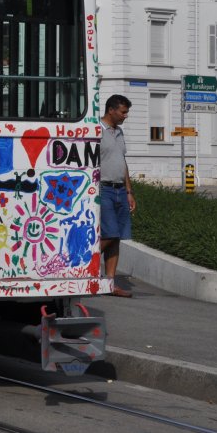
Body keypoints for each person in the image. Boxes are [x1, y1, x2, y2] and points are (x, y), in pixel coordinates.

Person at [99, 93, 135, 298]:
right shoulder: (96, 130)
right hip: (102, 188)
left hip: (120, 189)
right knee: (110, 232)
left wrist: (129, 192)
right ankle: (81, 263)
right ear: (111, 110)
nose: (125, 116)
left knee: (116, 237)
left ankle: (110, 283)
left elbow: (123, 163)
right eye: (123, 112)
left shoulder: (119, 132)